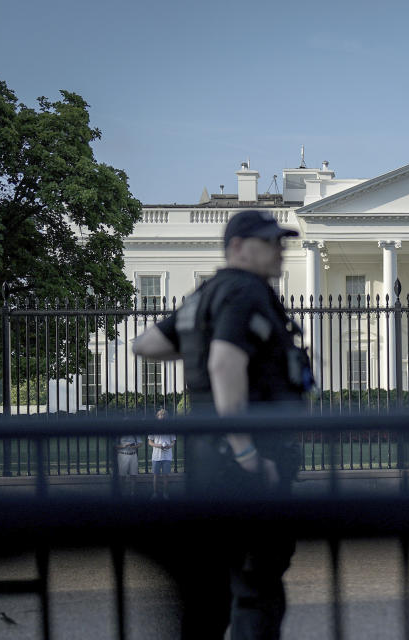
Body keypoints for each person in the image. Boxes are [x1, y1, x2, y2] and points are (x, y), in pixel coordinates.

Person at [133, 209, 311, 640]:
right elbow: (224, 361)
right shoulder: (248, 291)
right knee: (256, 589)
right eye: (269, 242)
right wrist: (247, 451)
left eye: (280, 242)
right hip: (248, 466)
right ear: (237, 248)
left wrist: (200, 337)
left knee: (211, 592)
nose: (279, 250)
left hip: (206, 467)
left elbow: (147, 344)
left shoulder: (205, 295)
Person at [148, 429, 176, 500]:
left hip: (167, 456)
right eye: (160, 416)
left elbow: (173, 442)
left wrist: (169, 446)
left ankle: (165, 493)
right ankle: (155, 493)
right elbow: (150, 442)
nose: (162, 416)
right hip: (156, 456)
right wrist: (158, 445)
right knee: (155, 475)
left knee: (166, 475)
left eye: (163, 416)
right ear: (157, 416)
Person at [114, 432, 139, 497]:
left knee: (133, 475)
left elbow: (140, 443)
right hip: (123, 454)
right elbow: (114, 445)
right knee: (122, 476)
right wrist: (123, 446)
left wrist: (134, 446)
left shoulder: (134, 433)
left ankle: (132, 493)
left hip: (133, 454)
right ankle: (122, 493)